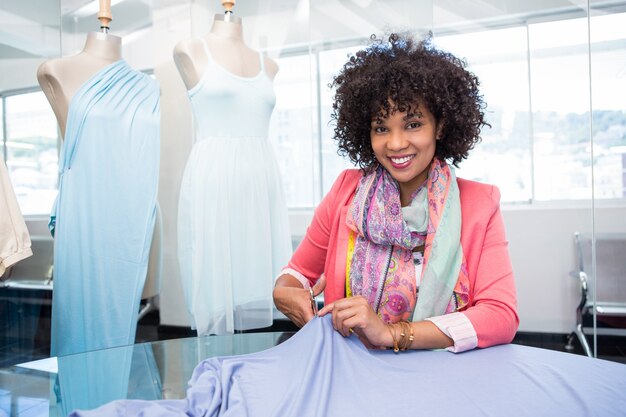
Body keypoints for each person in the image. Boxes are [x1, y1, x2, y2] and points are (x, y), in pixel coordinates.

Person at [273, 33, 519, 353]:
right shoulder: (345, 192)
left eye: (413, 124)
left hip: (444, 375)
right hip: (353, 366)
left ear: (440, 126)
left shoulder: (480, 203)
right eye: (381, 127)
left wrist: (392, 334)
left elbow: (501, 315)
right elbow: (297, 274)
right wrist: (283, 290)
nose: (396, 143)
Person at [173, 9, 292, 335]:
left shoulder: (269, 65)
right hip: (214, 180)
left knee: (255, 280)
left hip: (259, 183)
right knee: (214, 286)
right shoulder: (191, 50)